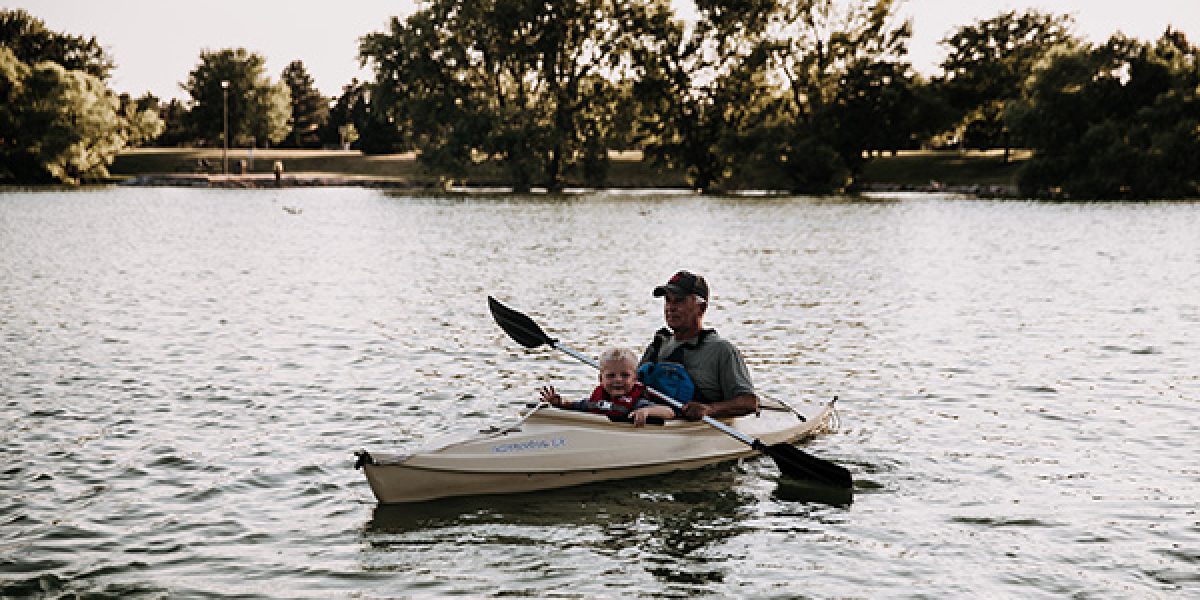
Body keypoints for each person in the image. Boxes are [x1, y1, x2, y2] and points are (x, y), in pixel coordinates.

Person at [639, 270, 758, 420]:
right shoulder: (657, 346)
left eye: (679, 301)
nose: (671, 307)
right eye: (668, 300)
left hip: (697, 429)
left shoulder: (722, 350)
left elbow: (749, 403)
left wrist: (709, 409)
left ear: (701, 308)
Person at [539, 347, 676, 427]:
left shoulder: (638, 403)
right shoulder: (597, 400)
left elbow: (669, 412)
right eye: (611, 376)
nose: (618, 380)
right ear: (601, 379)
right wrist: (559, 403)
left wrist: (646, 412)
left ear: (634, 379)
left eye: (624, 375)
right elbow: (577, 405)